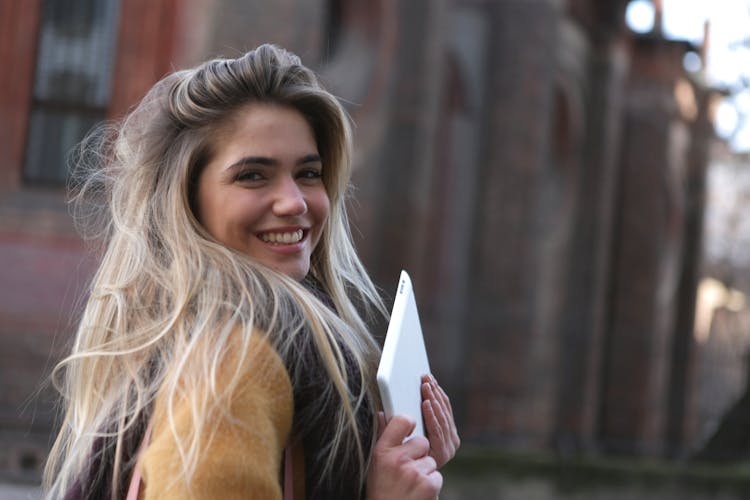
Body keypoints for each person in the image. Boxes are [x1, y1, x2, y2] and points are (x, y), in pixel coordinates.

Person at [44, 44, 459, 500]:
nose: (295, 202)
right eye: (253, 176)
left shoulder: (215, 342)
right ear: (187, 199)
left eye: (308, 173)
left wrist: (395, 469)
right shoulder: (237, 362)